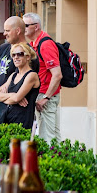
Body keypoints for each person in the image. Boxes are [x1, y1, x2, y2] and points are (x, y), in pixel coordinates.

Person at [23, 13, 62, 142]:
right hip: (43, 95)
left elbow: (57, 75)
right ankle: (60, 159)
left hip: (46, 96)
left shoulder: (45, 44)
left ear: (36, 27)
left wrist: (45, 98)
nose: (24, 28)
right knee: (52, 135)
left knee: (47, 137)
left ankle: (51, 161)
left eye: (26, 25)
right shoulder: (35, 43)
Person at [0, 43, 40, 130]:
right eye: (13, 55)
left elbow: (16, 99)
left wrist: (13, 97)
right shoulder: (13, 75)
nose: (16, 57)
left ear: (28, 57)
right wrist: (12, 95)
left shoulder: (31, 75)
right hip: (7, 118)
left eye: (20, 54)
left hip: (22, 122)